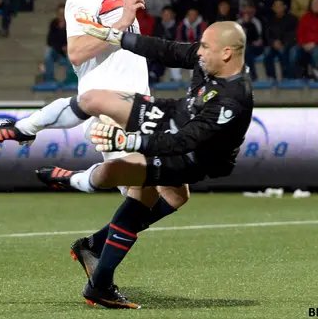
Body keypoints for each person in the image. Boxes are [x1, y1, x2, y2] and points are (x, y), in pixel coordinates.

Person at [0, 0, 154, 308]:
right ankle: (101, 283)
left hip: (140, 108)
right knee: (144, 187)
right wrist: (122, 23)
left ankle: (94, 245)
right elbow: (75, 52)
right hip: (110, 109)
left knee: (176, 193)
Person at [34, 20, 254, 309]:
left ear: (227, 53)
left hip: (193, 157)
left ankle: (85, 210)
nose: (198, 52)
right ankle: (98, 275)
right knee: (160, 193)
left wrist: (130, 142)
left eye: (205, 47)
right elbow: (167, 50)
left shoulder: (233, 98)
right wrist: (118, 37)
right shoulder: (209, 60)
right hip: (174, 125)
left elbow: (185, 142)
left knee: (147, 187)